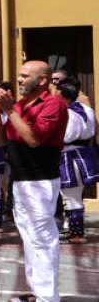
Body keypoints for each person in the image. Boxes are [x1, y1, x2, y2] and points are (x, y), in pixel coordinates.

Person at [0, 61, 69, 302]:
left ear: (42, 80)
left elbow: (33, 139)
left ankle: (47, 297)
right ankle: (37, 292)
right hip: (20, 180)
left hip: (40, 180)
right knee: (30, 238)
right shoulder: (21, 105)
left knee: (43, 239)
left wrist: (9, 110)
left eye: (24, 76)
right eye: (19, 75)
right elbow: (1, 141)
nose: (19, 80)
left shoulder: (53, 105)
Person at [54, 75, 97, 244]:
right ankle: (75, 231)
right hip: (84, 153)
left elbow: (67, 136)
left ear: (64, 96)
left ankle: (76, 234)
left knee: (72, 195)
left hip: (70, 156)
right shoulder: (87, 109)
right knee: (75, 194)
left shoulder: (68, 112)